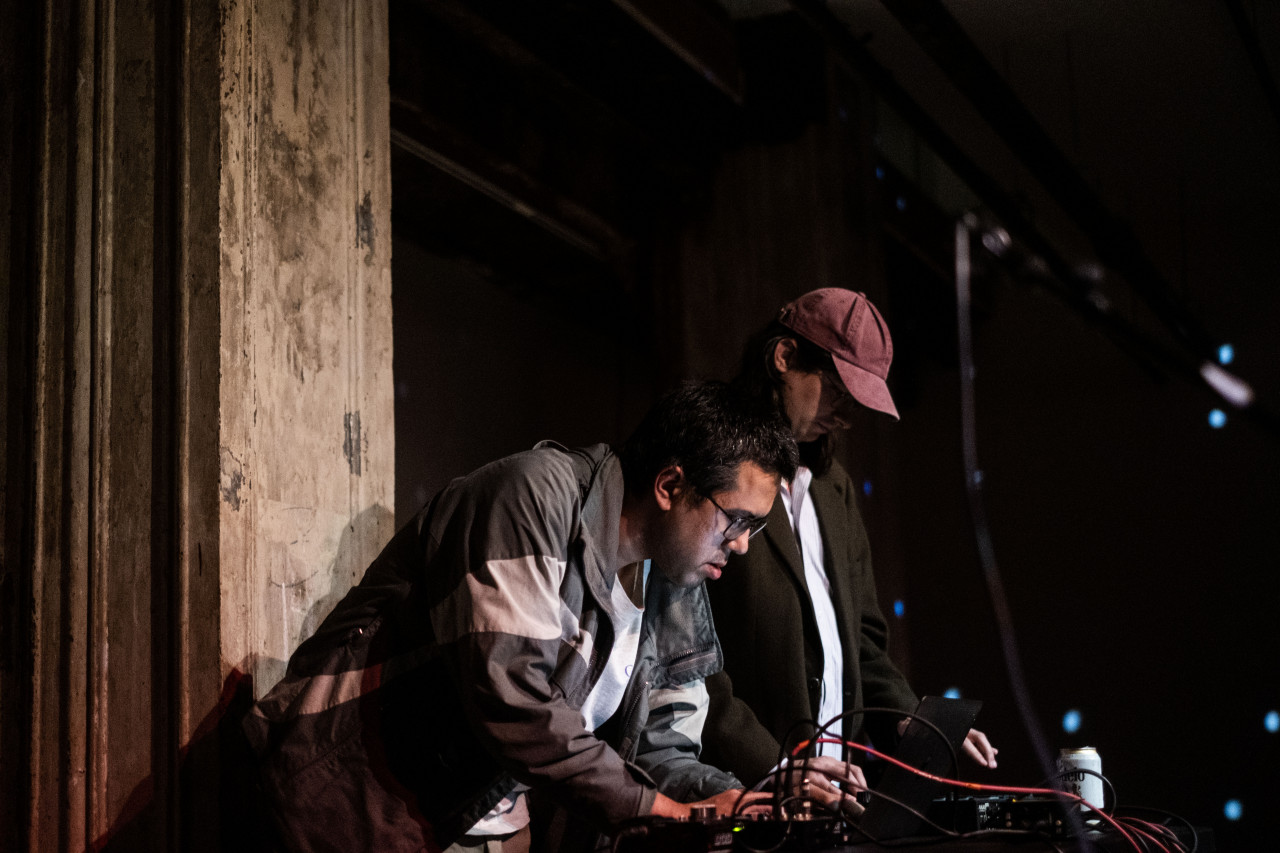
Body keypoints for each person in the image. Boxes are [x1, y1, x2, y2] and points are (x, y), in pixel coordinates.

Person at [243, 380, 798, 853]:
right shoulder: (534, 493)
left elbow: (656, 747)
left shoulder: (672, 576)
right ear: (670, 486)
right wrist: (662, 810)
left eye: (757, 527)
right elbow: (512, 697)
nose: (743, 545)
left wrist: (744, 798)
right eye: (736, 520)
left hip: (489, 828)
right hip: (355, 804)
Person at [700, 288, 998, 808]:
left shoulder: (833, 488)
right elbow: (683, 656)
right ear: (784, 358)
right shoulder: (712, 466)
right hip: (737, 793)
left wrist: (913, 717)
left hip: (830, 800)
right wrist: (770, 765)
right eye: (838, 393)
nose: (846, 418)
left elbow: (861, 639)